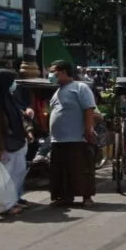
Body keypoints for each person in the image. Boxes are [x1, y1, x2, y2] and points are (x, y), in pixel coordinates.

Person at [0, 69, 34, 216]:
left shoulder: (8, 98)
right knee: (5, 178)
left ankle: (13, 201)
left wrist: (27, 131)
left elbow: (19, 117)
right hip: (5, 146)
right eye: (11, 81)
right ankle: (4, 206)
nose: (14, 84)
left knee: (17, 174)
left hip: (17, 142)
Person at [48, 60, 97, 207]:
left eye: (53, 72)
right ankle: (65, 197)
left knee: (81, 169)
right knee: (61, 171)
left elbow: (89, 109)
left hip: (77, 138)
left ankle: (86, 197)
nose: (51, 75)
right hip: (58, 140)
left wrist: (88, 130)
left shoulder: (80, 87)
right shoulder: (58, 91)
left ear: (63, 72)